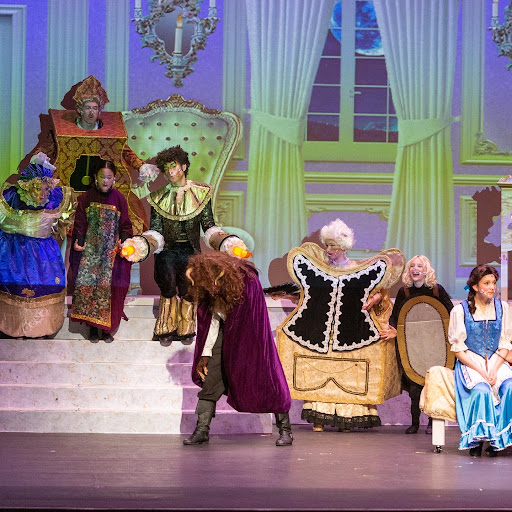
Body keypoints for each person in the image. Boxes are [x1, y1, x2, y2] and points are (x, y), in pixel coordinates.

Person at [282, 219, 401, 433]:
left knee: (350, 376)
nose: (329, 250)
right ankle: (319, 417)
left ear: (343, 247)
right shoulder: (321, 269)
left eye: (333, 246)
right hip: (322, 337)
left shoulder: (357, 268)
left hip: (352, 333)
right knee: (320, 373)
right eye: (327, 245)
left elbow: (380, 292)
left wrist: (374, 298)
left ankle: (347, 419)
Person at [22, 75, 157, 234]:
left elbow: (126, 152)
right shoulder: (60, 132)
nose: (91, 112)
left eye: (95, 108)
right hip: (70, 188)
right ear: (80, 110)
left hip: (101, 190)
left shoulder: (109, 132)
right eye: (87, 108)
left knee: (126, 219)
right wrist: (39, 157)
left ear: (99, 110)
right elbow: (44, 149)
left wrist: (142, 166)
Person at [183, 251, 293, 446]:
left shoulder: (245, 282)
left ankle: (285, 431)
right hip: (225, 333)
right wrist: (206, 353)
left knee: (269, 380)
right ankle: (201, 430)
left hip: (251, 337)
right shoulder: (211, 289)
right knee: (211, 380)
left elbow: (253, 316)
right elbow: (213, 321)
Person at [148, 145, 239, 344]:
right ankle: (166, 324)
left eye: (173, 166)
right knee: (167, 279)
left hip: (190, 250)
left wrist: (223, 240)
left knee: (189, 286)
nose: (170, 172)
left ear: (184, 166)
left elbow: (208, 224)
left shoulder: (200, 193)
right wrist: (145, 243)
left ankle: (186, 325)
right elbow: (155, 228)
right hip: (167, 250)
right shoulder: (158, 198)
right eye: (166, 168)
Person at [380, 255, 453, 434]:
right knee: (414, 385)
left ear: (426, 270)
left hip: (435, 346)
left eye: (420, 266)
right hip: (413, 347)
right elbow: (396, 317)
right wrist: (392, 330)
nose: (415, 269)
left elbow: (451, 313)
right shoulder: (404, 292)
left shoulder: (437, 290)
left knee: (433, 384)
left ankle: (432, 422)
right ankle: (415, 423)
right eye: (412, 266)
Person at [0, 163, 75, 338]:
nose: (43, 194)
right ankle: (16, 328)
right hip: (17, 254)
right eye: (38, 189)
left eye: (46, 189)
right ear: (27, 187)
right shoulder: (12, 199)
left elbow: (61, 226)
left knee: (44, 287)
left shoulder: (55, 201)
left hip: (44, 255)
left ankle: (40, 329)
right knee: (17, 288)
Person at [446, 264, 512, 457]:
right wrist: (482, 372)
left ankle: (499, 439)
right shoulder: (460, 311)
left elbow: (505, 343)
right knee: (481, 390)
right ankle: (478, 439)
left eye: (494, 283)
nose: (492, 287)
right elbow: (458, 350)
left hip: (496, 359)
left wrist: (494, 368)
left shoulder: (503, 308)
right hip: (471, 361)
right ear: (475, 287)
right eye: (487, 283)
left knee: (509, 387)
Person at [68, 160, 133, 342]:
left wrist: (124, 239)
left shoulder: (119, 198)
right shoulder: (86, 197)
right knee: (90, 289)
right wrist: (79, 240)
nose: (105, 181)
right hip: (91, 253)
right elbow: (80, 222)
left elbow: (125, 224)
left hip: (110, 253)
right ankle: (92, 328)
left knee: (109, 290)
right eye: (102, 177)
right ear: (95, 177)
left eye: (109, 177)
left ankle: (106, 329)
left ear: (114, 178)